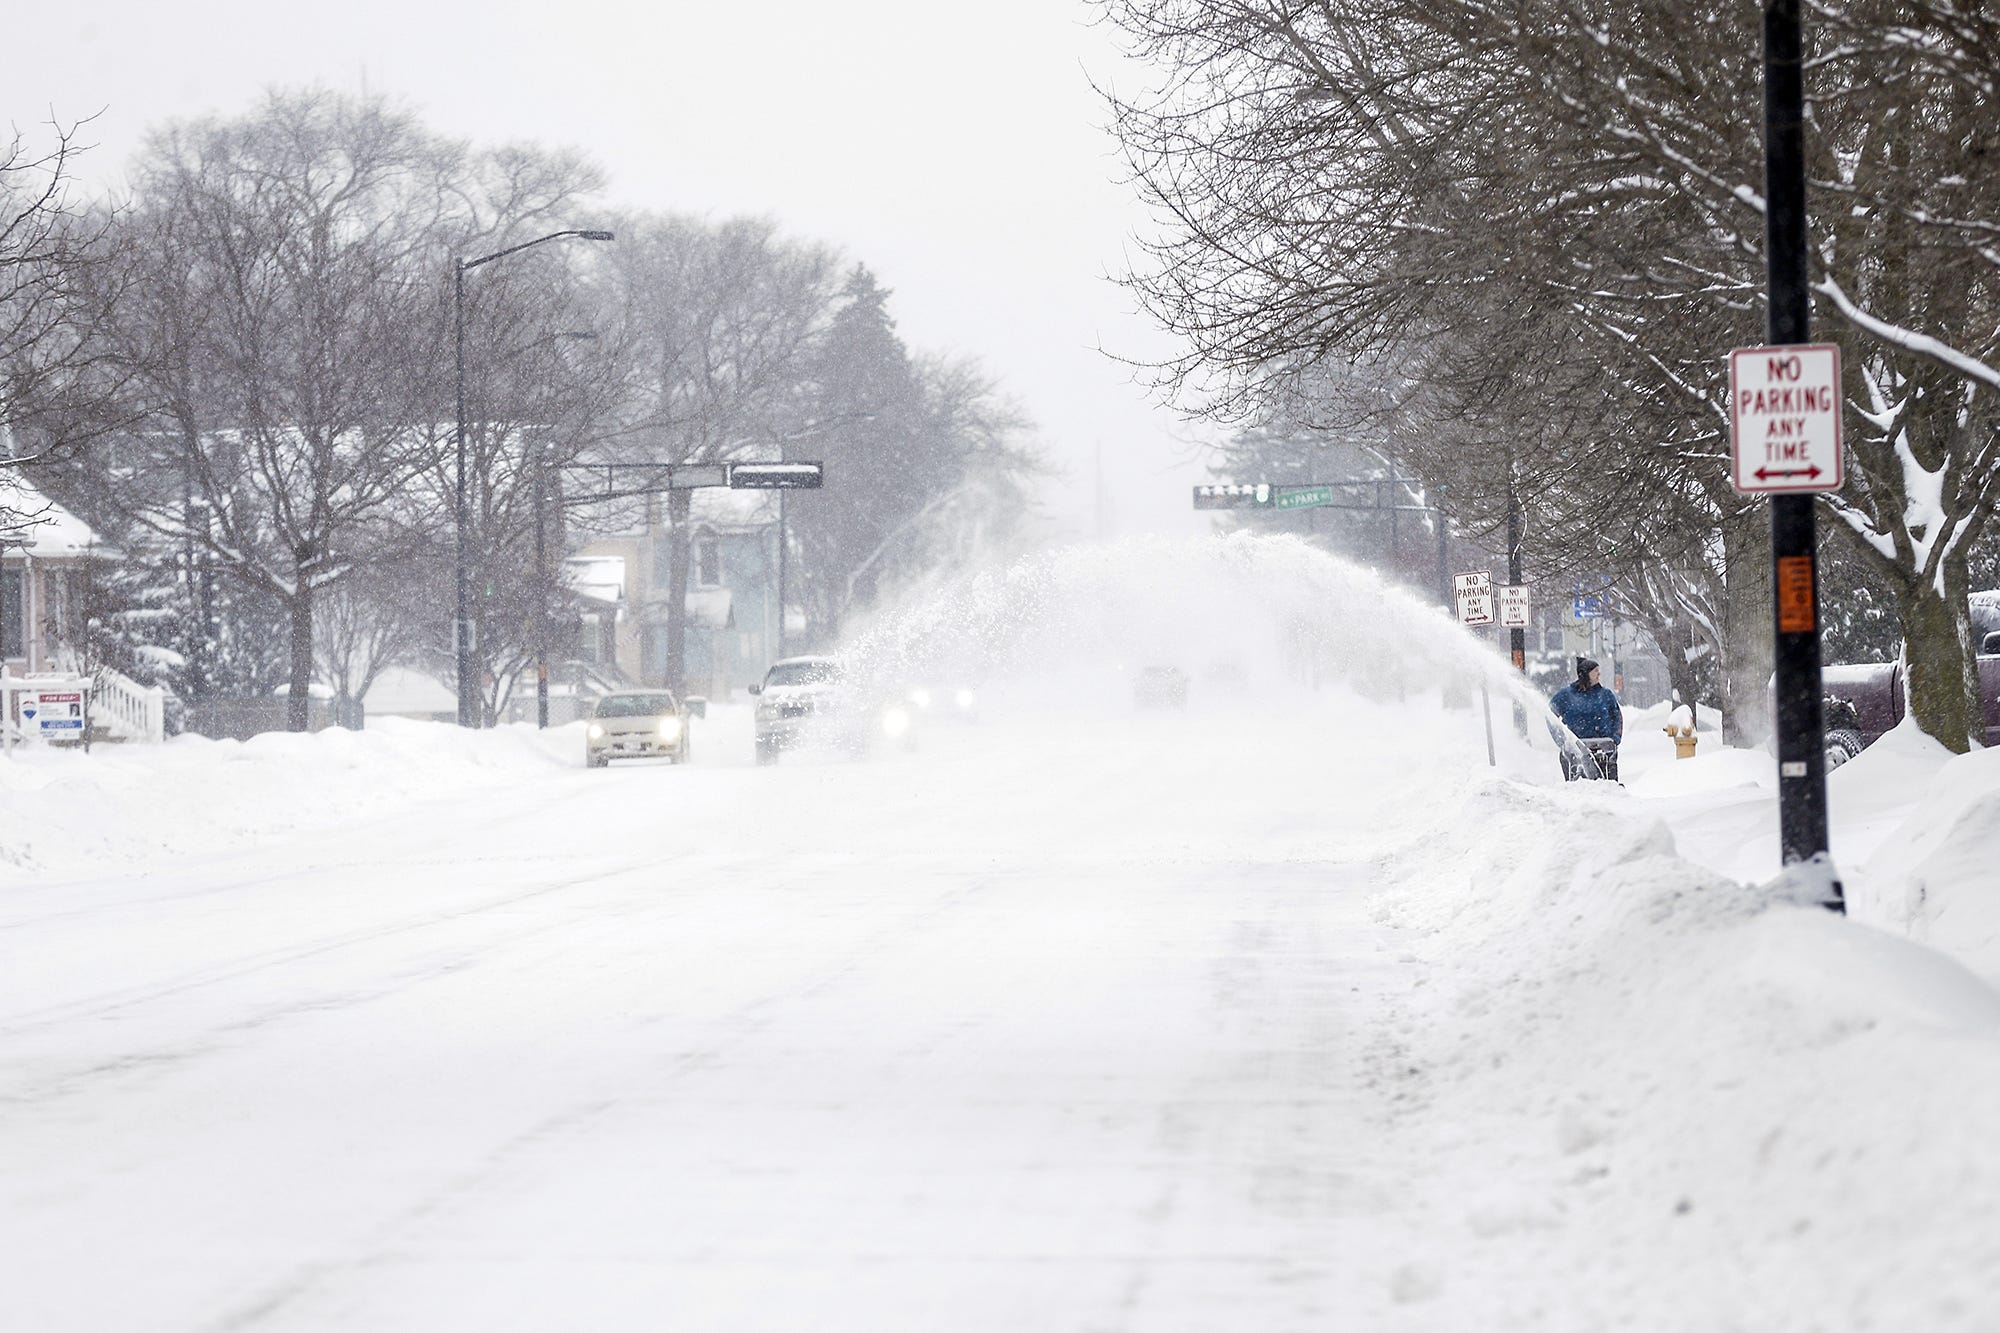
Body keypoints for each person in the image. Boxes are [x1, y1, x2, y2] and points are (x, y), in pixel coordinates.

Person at [1550, 656, 1623, 781]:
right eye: (1595, 671)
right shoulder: (1566, 695)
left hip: (1604, 749)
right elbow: (1550, 715)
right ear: (1585, 674)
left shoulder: (1606, 695)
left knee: (1608, 784)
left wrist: (1615, 738)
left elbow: (1617, 717)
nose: (1599, 673)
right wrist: (1561, 740)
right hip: (1575, 750)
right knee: (1577, 785)